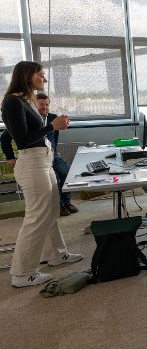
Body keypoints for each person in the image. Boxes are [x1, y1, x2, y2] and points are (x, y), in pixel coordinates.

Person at [1, 61, 82, 288]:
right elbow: (24, 140)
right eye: (41, 75)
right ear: (28, 75)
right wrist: (52, 126)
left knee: (50, 211)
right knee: (36, 217)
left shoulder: (24, 102)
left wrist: (54, 126)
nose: (44, 80)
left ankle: (56, 254)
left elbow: (30, 132)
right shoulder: (12, 103)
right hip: (33, 164)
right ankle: (22, 272)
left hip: (43, 162)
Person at [1, 93, 79, 217]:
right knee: (55, 179)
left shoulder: (53, 117)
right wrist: (10, 157)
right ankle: (60, 205)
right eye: (41, 104)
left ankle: (67, 202)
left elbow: (54, 137)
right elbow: (4, 138)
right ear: (33, 106)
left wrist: (55, 149)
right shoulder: (27, 120)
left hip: (52, 155)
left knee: (66, 173)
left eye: (47, 104)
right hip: (37, 158)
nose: (44, 107)